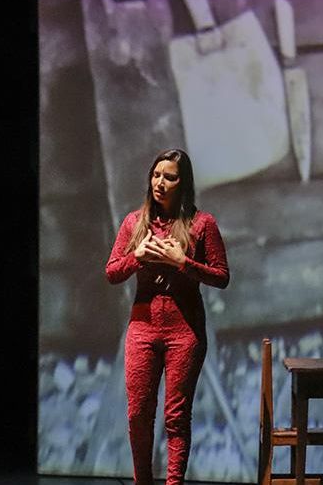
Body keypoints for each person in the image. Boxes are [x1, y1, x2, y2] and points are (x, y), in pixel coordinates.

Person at [105, 148, 230, 485]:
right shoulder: (135, 222)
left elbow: (221, 276)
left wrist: (182, 262)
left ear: (183, 182)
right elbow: (112, 272)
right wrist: (138, 256)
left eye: (169, 177)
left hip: (184, 332)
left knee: (176, 416)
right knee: (138, 414)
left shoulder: (202, 224)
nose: (160, 183)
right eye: (156, 175)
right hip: (143, 328)